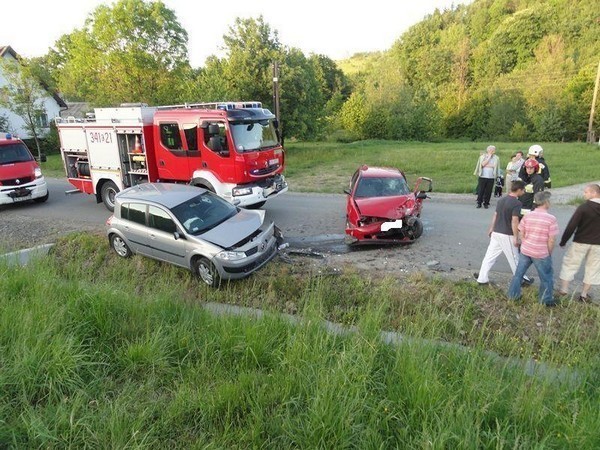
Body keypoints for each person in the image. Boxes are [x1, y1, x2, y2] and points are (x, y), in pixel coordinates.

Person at [473, 180, 534, 285]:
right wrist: (516, 236)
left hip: (496, 232)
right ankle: (521, 279)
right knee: (514, 258)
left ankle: (482, 279)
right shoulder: (517, 203)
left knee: (489, 257)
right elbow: (514, 220)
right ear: (519, 190)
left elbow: (495, 215)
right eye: (523, 190)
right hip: (507, 234)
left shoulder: (501, 200)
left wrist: (492, 228)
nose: (524, 192)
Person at [508, 191, 560, 307]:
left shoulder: (528, 215)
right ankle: (545, 300)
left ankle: (513, 295)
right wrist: (549, 253)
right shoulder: (551, 219)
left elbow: (521, 231)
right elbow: (551, 240)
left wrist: (525, 241)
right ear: (546, 202)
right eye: (549, 201)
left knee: (518, 274)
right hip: (541, 253)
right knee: (546, 277)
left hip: (526, 250)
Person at [557, 183, 600, 302]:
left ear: (594, 193)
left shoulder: (584, 207)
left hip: (580, 242)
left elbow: (572, 225)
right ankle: (584, 295)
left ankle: (564, 290)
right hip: (598, 245)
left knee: (570, 265)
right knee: (593, 269)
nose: (584, 194)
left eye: (586, 192)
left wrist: (563, 241)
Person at [473, 145, 500, 209]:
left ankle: (486, 203)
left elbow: (495, 166)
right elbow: (482, 164)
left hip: (491, 177)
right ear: (488, 150)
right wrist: (489, 157)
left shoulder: (496, 158)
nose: (493, 151)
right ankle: (479, 202)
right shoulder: (482, 156)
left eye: (493, 150)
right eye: (491, 149)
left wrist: (487, 165)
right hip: (483, 176)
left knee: (489, 191)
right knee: (481, 190)